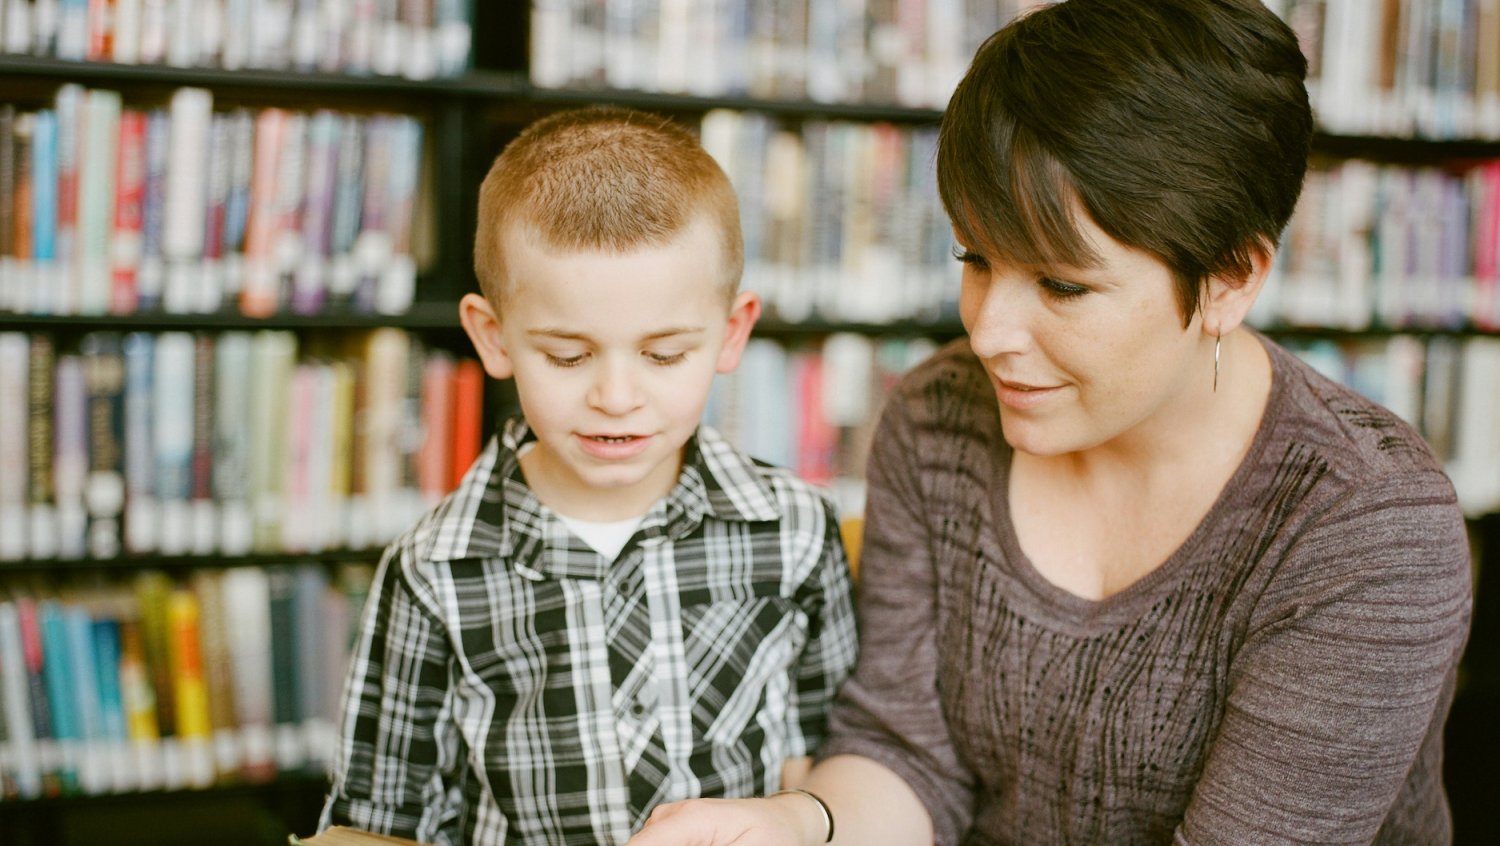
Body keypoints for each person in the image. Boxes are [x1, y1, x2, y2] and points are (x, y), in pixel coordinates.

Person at [625, 1, 1474, 844]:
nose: (988, 331)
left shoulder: (1365, 526)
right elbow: (906, 754)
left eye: (1063, 286)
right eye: (977, 259)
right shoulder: (936, 419)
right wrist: (796, 824)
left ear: (1230, 279)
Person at [319, 106, 858, 845]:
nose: (616, 397)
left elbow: (834, 757)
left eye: (664, 354)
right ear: (492, 335)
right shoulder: (433, 570)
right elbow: (376, 821)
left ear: (732, 333)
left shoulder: (797, 528)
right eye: (568, 356)